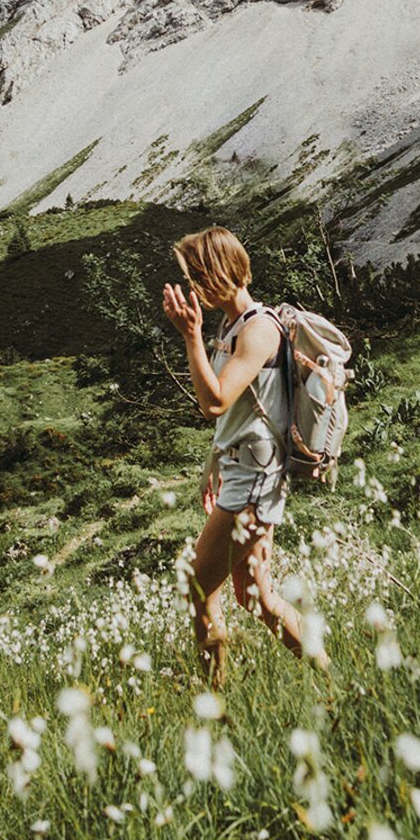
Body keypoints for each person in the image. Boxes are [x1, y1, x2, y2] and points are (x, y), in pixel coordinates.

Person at [161, 225, 307, 688]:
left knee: (198, 588)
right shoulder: (233, 326)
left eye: (199, 275)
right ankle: (327, 674)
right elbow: (237, 412)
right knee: (254, 596)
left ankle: (216, 699)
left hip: (257, 479)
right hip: (244, 470)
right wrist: (214, 463)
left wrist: (190, 337)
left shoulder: (260, 329)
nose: (194, 287)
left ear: (221, 272)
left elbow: (216, 402)